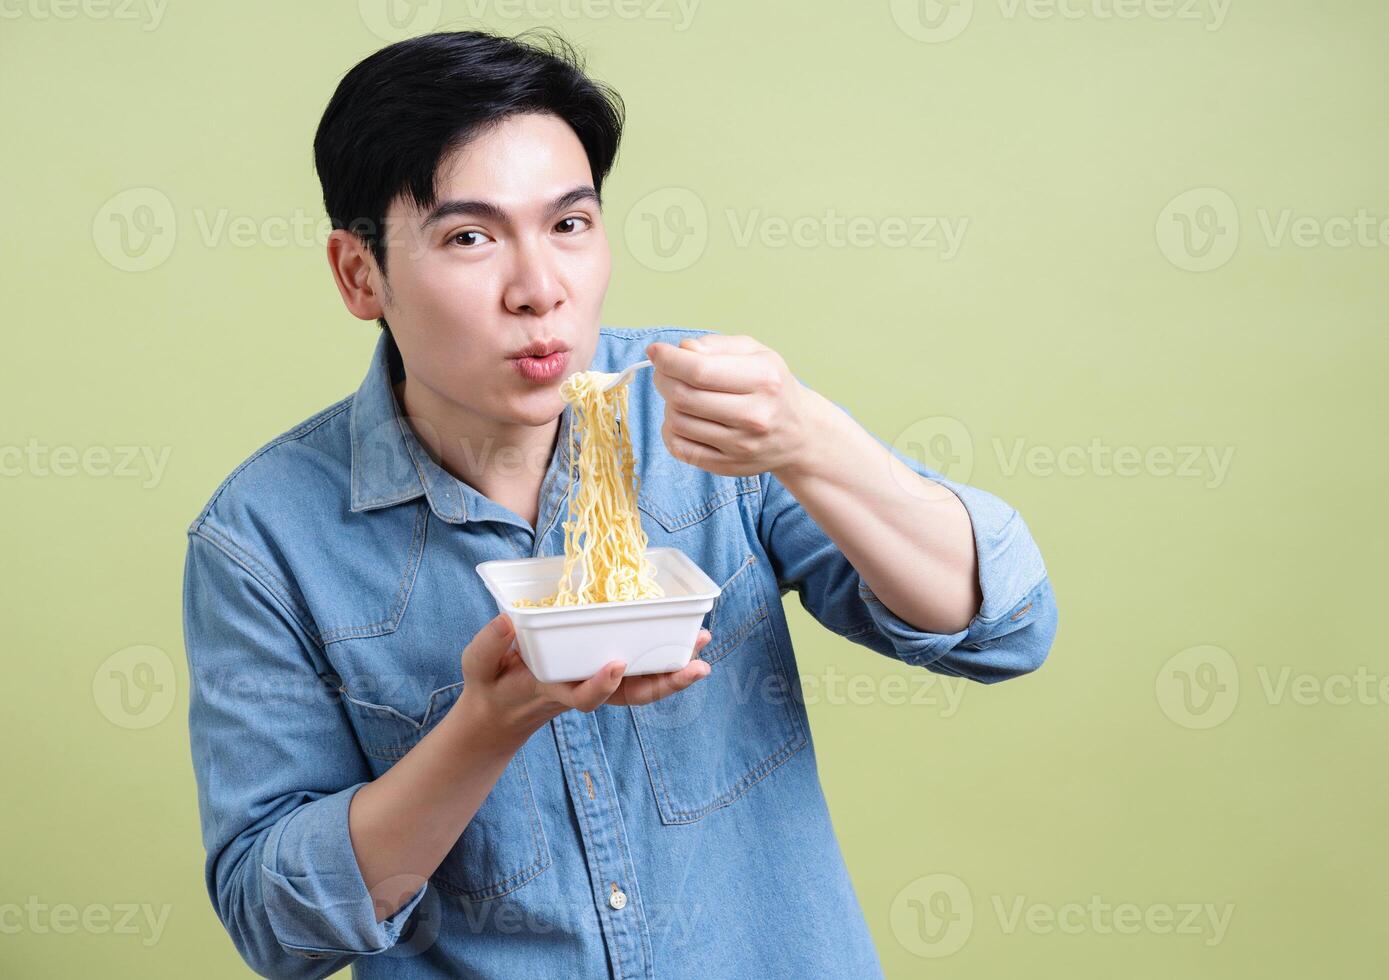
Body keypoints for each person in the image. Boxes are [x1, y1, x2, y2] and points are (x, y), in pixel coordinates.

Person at [181, 28, 1058, 980]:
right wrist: (487, 723)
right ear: (360, 274)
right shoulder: (262, 537)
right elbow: (276, 924)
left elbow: (1000, 628)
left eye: (569, 224)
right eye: (469, 237)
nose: (540, 289)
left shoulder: (706, 416)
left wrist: (811, 438)